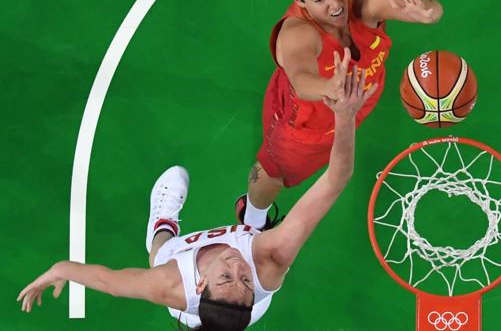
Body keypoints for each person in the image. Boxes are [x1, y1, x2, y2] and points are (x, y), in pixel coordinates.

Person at [17, 63, 377, 330]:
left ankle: (161, 223)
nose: (238, 268)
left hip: (183, 286)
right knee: (255, 238)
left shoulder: (169, 285)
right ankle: (252, 223)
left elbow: (110, 283)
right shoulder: (271, 259)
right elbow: (336, 178)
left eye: (226, 278)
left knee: (161, 253)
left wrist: (59, 269)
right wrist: (344, 116)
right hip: (240, 301)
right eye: (245, 280)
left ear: (201, 283)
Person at [236, 0, 444, 230]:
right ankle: (252, 219)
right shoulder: (298, 33)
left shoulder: (365, 0)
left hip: (357, 99)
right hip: (307, 123)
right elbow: (300, 79)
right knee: (272, 171)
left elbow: (431, 5)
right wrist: (330, 87)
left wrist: (427, 13)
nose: (335, 4)